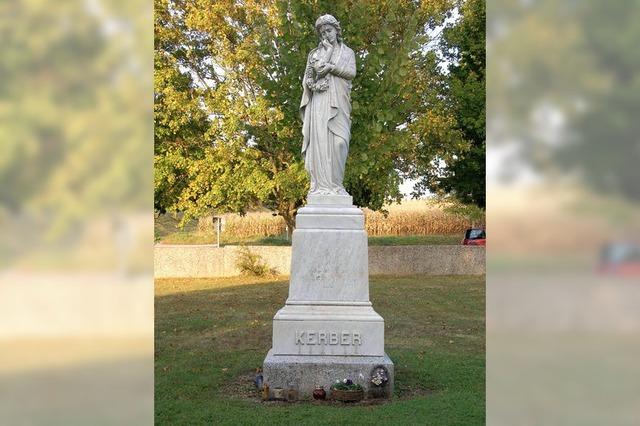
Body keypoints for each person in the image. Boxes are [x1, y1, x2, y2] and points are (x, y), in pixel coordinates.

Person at [300, 14, 356, 196]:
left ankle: (337, 185)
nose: (326, 35)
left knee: (340, 142)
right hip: (320, 101)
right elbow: (311, 75)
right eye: (322, 32)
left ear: (337, 30)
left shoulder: (348, 53)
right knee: (321, 143)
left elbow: (351, 73)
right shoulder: (316, 54)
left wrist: (332, 68)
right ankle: (322, 186)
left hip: (340, 101)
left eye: (329, 30)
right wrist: (313, 83)